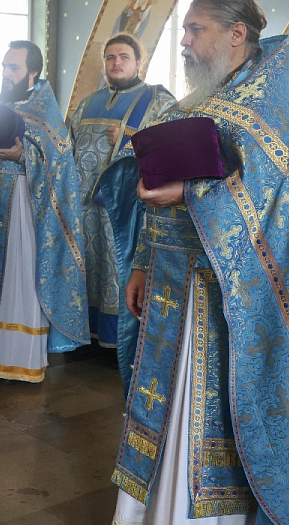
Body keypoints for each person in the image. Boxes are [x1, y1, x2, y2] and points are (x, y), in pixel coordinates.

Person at [113, 0, 289, 523]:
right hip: (170, 283)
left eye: (195, 29)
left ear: (236, 34)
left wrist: (188, 193)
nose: (184, 41)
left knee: (202, 404)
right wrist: (142, 262)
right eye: (185, 30)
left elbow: (268, 199)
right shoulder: (198, 101)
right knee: (166, 402)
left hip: (226, 298)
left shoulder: (271, 111)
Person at [0, 40, 88, 382]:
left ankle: (15, 356)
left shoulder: (45, 114)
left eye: (14, 67)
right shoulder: (0, 105)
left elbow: (60, 165)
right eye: (4, 66)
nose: (6, 73)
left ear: (33, 72)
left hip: (20, 207)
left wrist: (23, 156)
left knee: (17, 277)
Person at [68, 34, 174, 386]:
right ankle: (85, 336)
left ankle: (119, 342)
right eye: (110, 57)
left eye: (124, 57)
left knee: (119, 268)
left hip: (126, 209)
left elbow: (171, 147)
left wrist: (131, 140)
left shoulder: (157, 100)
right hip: (84, 208)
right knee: (89, 268)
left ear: (138, 62)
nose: (116, 63)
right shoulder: (87, 103)